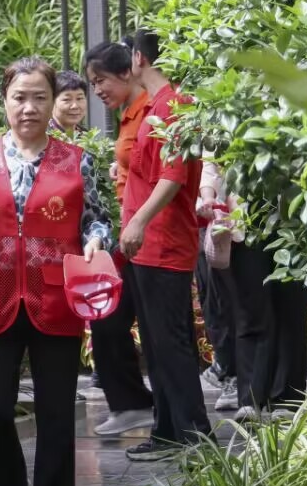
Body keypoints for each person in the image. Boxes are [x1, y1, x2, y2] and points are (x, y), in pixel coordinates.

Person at [0, 58, 111, 486]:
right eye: (20, 97)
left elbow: (97, 219)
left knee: (56, 412)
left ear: (53, 102)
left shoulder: (77, 159)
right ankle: (7, 483)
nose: (29, 107)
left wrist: (96, 241)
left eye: (39, 98)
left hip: (55, 294)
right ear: (4, 101)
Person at [97, 33, 210, 459]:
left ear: (139, 58)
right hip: (146, 245)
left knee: (171, 341)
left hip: (162, 242)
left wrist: (140, 219)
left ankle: (195, 435)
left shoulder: (174, 106)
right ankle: (168, 431)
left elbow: (174, 175)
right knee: (158, 343)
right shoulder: (155, 107)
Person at [82, 42, 158, 437]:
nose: (97, 91)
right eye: (92, 83)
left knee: (139, 323)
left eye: (101, 81)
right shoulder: (128, 116)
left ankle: (152, 407)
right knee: (107, 316)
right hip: (131, 236)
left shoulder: (150, 111)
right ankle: (131, 403)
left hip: (147, 238)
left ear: (127, 72)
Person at [203, 171, 307, 420]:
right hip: (245, 215)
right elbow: (212, 155)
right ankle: (250, 398)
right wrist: (208, 195)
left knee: (290, 304)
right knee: (249, 306)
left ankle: (286, 399)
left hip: (295, 207)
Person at [195, 164, 240, 413]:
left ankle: (233, 374)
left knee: (228, 300)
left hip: (234, 219)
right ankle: (227, 372)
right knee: (212, 302)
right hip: (204, 220)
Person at [52, 70, 91, 134]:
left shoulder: (86, 137)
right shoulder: (42, 136)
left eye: (79, 98)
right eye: (67, 99)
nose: (75, 106)